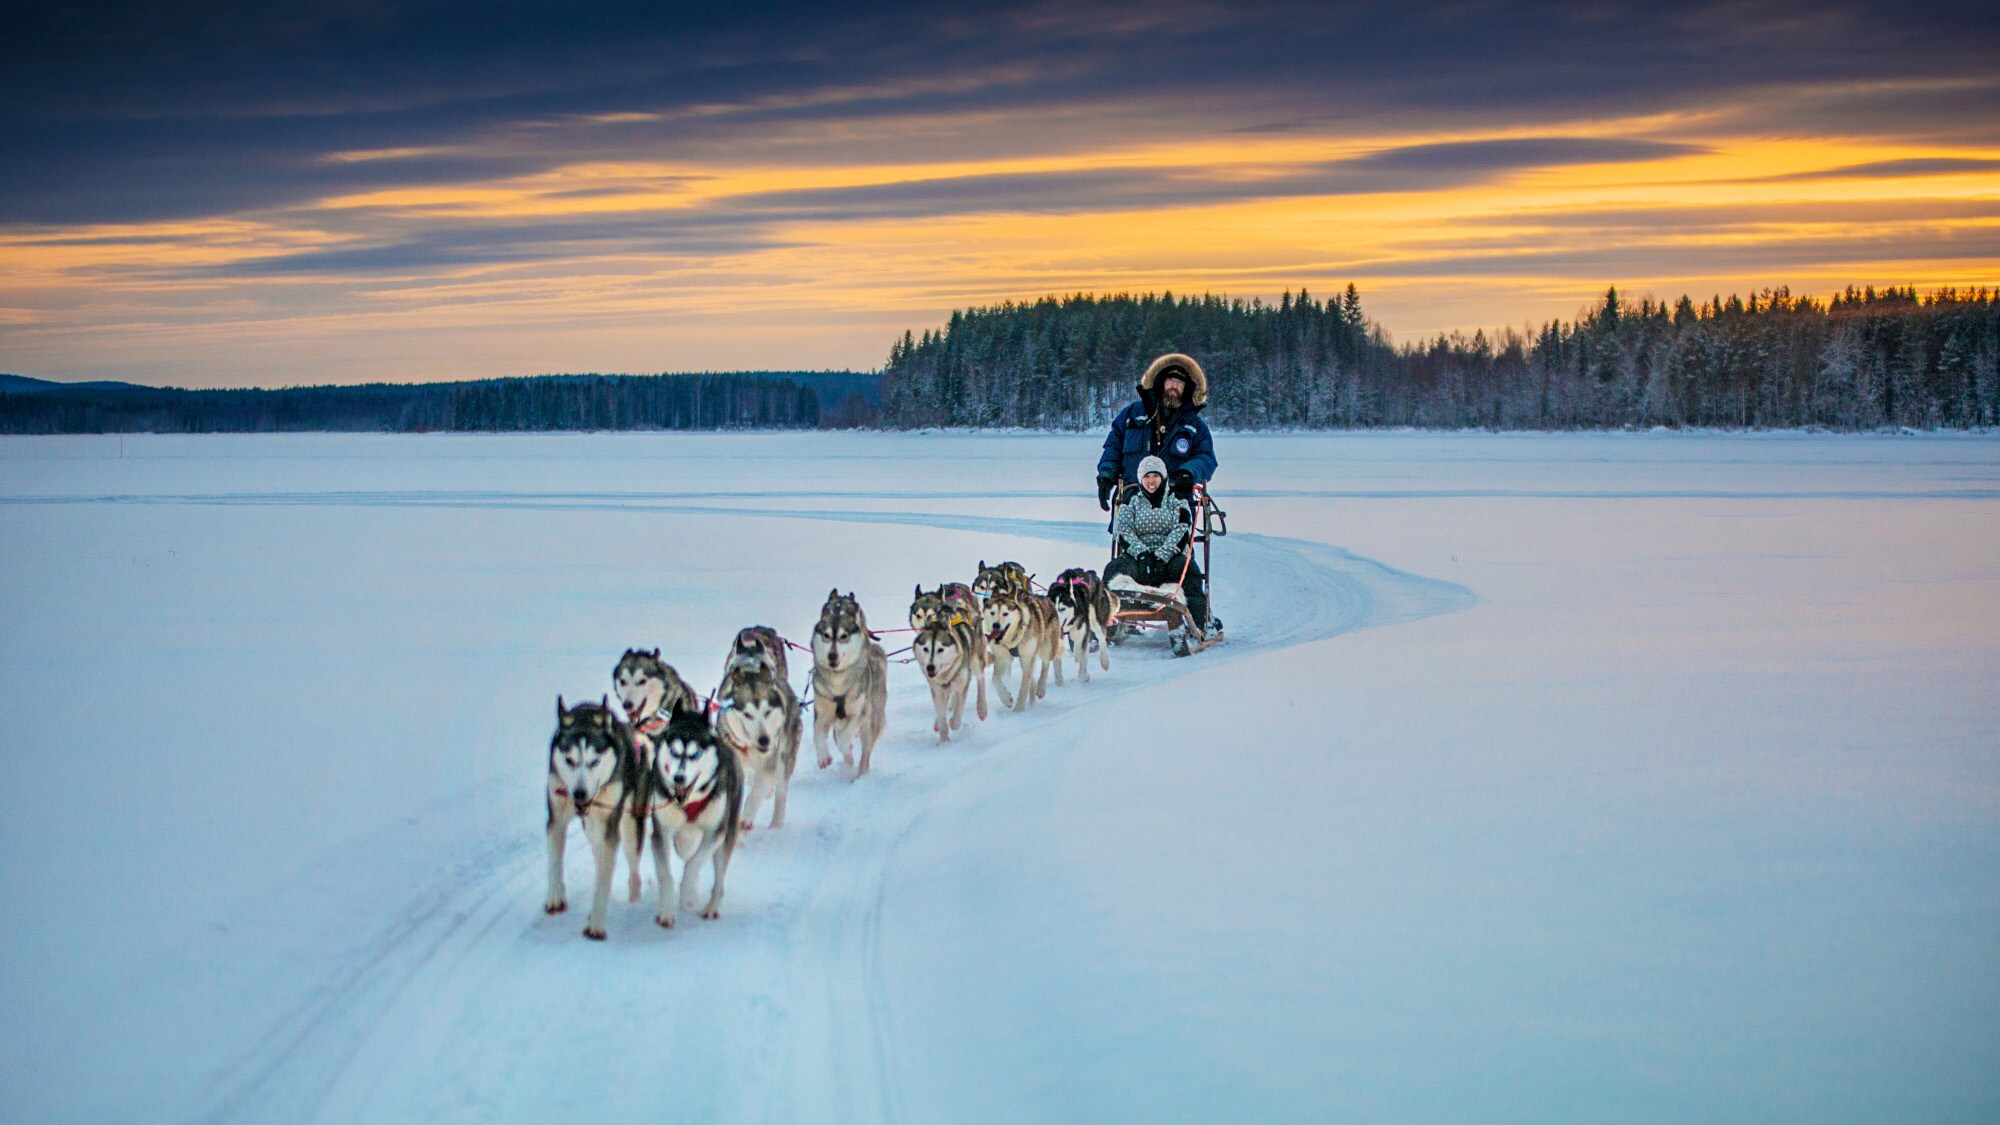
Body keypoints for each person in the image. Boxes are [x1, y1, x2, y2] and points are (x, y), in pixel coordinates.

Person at [1096, 353, 1217, 511]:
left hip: (1175, 506)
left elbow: (1206, 457)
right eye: (1170, 380)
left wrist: (1189, 472)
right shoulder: (1132, 415)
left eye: (1179, 382)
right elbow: (1113, 448)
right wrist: (1106, 476)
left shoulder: (1195, 426)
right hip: (1131, 502)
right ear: (1161, 382)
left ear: (1187, 388)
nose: (1174, 386)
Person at [1104, 455, 1210, 633]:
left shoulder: (1178, 502)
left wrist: (1162, 556)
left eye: (1155, 476)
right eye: (1146, 477)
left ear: (1164, 478)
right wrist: (1143, 554)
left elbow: (1182, 530)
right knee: (1114, 569)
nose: (1151, 481)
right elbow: (1124, 531)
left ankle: (1197, 625)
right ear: (1140, 479)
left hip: (1171, 558)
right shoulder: (1131, 503)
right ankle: (1107, 620)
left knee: (1188, 570)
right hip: (1138, 559)